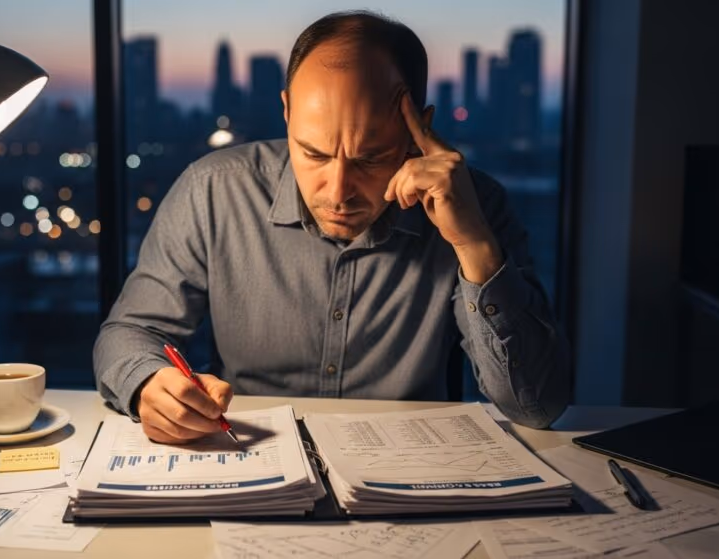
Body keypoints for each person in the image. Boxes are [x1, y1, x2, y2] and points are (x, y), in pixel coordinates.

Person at [94, 11, 570, 443]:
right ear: (286, 112)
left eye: (370, 158)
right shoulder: (213, 190)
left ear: (418, 129)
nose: (338, 191)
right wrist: (148, 383)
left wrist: (472, 243)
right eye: (314, 154)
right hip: (254, 460)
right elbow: (129, 331)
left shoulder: (475, 205)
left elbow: (538, 407)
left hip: (411, 478)